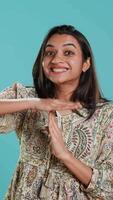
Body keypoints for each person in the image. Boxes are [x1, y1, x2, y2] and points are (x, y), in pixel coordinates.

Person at [0, 25, 113, 200]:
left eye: (68, 53)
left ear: (86, 63)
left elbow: (108, 188)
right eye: (49, 53)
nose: (56, 59)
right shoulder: (25, 99)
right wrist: (35, 103)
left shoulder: (106, 115)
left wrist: (64, 155)